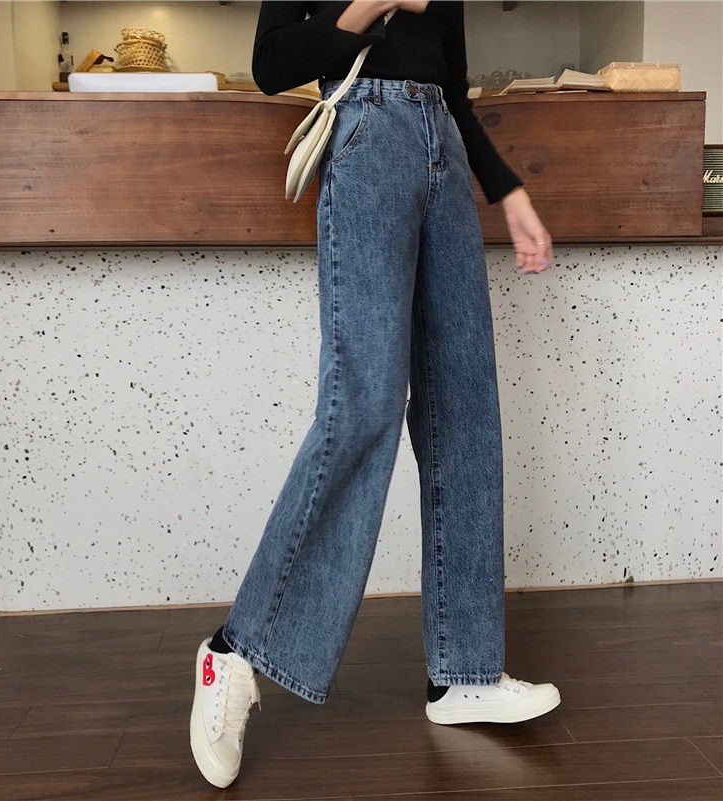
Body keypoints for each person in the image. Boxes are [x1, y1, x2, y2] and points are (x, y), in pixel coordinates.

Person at [189, 1, 560, 788]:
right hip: (365, 138)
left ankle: (465, 671)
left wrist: (509, 191)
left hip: (442, 151)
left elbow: (452, 89)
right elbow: (272, 64)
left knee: (464, 411)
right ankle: (235, 651)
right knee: (363, 402)